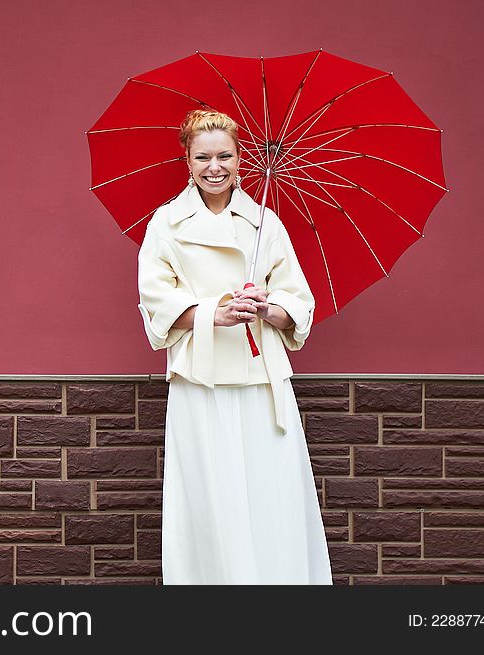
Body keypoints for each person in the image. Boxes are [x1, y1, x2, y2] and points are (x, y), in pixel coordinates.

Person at [137, 109, 333, 585]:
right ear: (186, 159)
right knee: (209, 494)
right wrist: (213, 313)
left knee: (272, 491)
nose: (214, 167)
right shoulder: (165, 223)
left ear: (240, 158)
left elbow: (299, 301)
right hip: (200, 378)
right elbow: (155, 300)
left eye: (225, 155)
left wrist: (267, 309)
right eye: (202, 156)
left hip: (261, 380)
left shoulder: (265, 223)